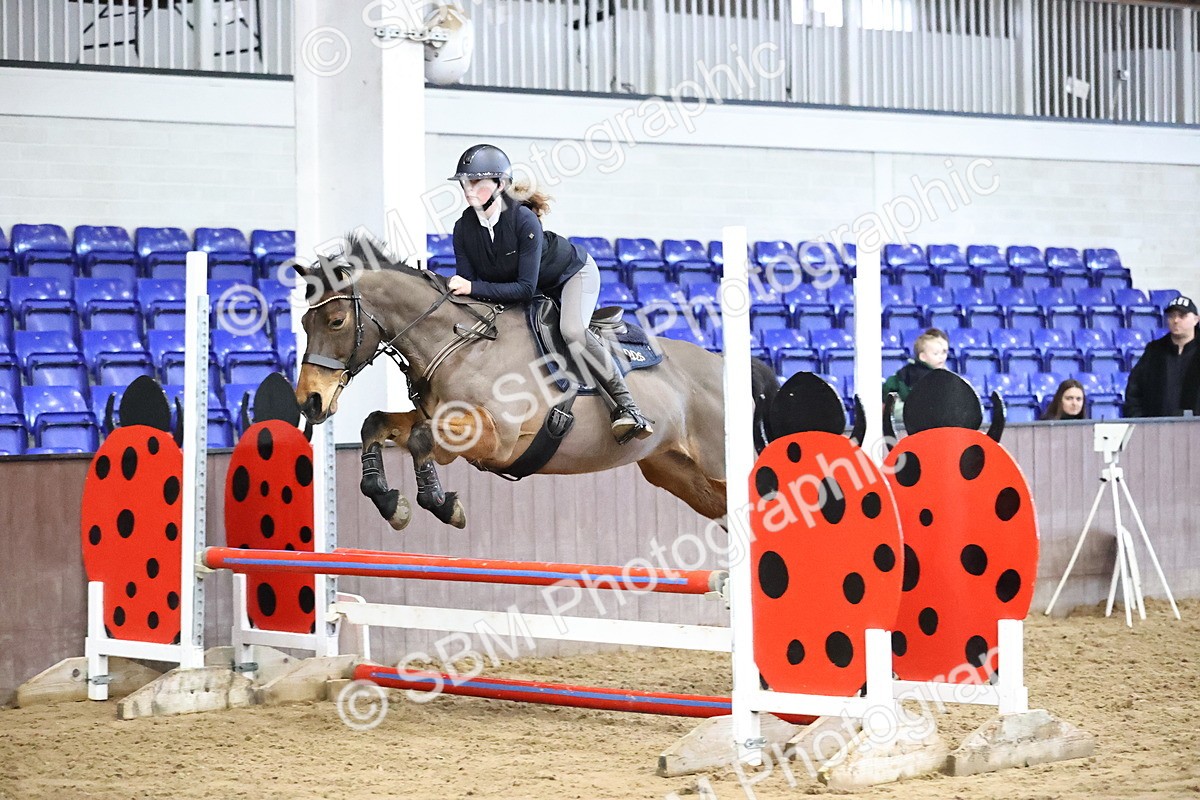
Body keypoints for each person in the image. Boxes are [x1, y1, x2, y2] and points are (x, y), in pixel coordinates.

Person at [447, 143, 653, 443]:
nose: (469, 188)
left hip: (572, 275)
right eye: (465, 182)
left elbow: (523, 288)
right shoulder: (463, 228)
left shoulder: (523, 220)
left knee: (571, 331)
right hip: (532, 288)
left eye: (477, 181)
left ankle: (628, 407)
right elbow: (468, 287)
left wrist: (472, 287)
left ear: (500, 185)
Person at [1122, 295, 1200, 418]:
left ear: (1196, 319)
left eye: (1182, 316)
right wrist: (1141, 421)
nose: (1176, 320)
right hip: (1157, 427)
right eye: (1172, 316)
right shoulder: (1154, 351)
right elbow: (1134, 390)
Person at [882, 328, 949, 402]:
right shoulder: (909, 373)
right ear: (923, 357)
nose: (941, 357)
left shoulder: (947, 375)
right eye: (936, 353)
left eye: (944, 352)